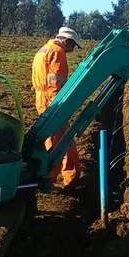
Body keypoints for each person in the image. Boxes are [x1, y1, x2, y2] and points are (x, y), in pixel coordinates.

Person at [31, 27, 82, 187]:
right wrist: (58, 108)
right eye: (73, 45)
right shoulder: (57, 52)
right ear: (67, 41)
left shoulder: (44, 49)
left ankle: (50, 175)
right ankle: (68, 178)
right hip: (51, 100)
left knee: (50, 139)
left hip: (41, 98)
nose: (73, 50)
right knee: (64, 140)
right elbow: (55, 81)